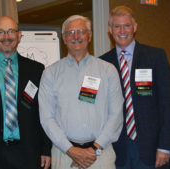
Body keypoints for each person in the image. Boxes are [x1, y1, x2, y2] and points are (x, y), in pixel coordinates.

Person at [38, 15, 124, 169]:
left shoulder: (108, 70)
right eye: (70, 33)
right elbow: (47, 118)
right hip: (64, 155)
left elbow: (116, 114)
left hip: (101, 155)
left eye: (81, 31)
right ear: (64, 38)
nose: (76, 36)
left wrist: (94, 150)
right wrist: (71, 150)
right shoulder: (50, 73)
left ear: (89, 36)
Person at [100, 6, 170, 169]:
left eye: (127, 25)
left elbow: (168, 105)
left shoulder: (155, 57)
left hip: (151, 149)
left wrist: (165, 146)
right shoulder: (102, 64)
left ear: (135, 27)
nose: (122, 31)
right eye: (117, 26)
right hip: (115, 149)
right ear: (110, 29)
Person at [0, 16, 52, 169]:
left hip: (27, 152)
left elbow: (43, 111)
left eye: (11, 31)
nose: (6, 37)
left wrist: (46, 149)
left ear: (19, 35)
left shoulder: (36, 69)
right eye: (1, 32)